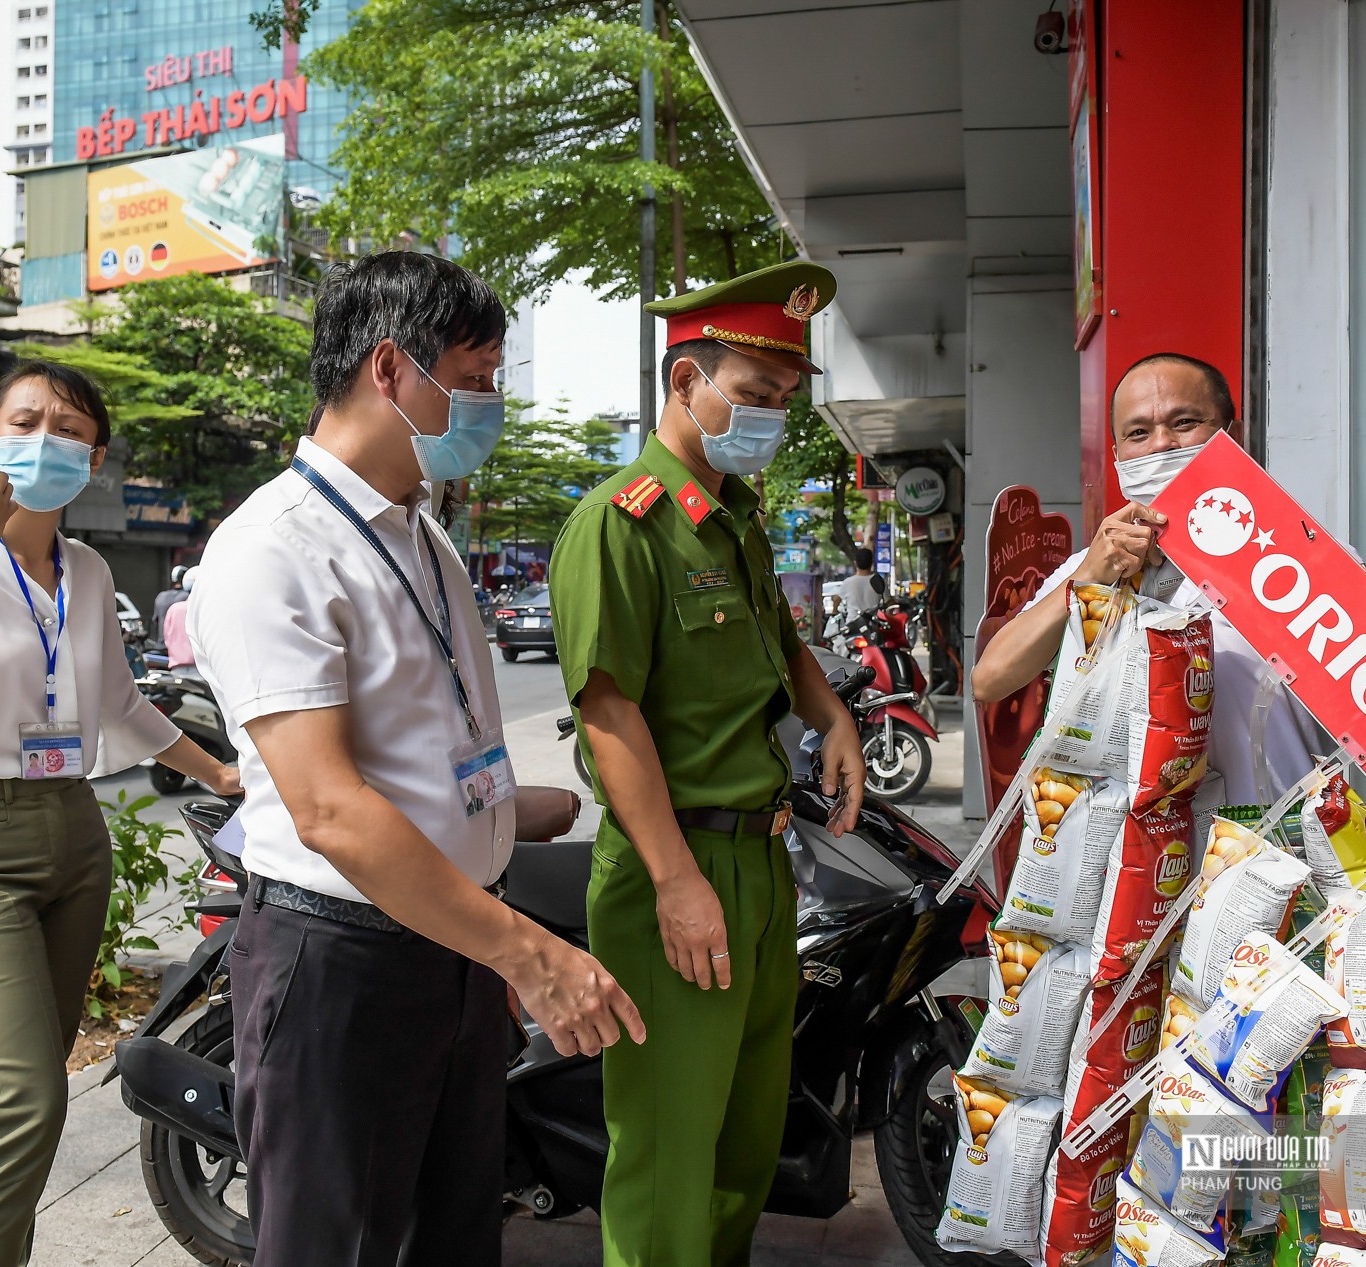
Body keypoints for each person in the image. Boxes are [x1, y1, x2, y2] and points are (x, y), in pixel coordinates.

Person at [188, 250, 642, 1267]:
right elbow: (330, 810)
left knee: (452, 1235)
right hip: (343, 960)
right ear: (390, 370)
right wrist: (529, 951)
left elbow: (415, 736)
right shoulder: (275, 548)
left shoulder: (422, 535)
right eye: (475, 380)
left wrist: (495, 810)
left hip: (449, 941)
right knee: (338, 1246)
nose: (489, 406)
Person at [0, 361, 242, 1267]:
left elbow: (117, 704)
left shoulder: (89, 567)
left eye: (68, 428)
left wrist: (220, 774)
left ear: (95, 456)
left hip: (73, 835)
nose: (45, 439)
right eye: (24, 420)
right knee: (17, 1100)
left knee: (33, 1106)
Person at [549, 259, 868, 1267]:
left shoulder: (732, 519)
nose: (770, 415)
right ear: (686, 384)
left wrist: (835, 719)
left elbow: (779, 639)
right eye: (755, 393)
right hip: (672, 868)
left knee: (743, 1141)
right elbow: (608, 715)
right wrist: (677, 881)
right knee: (667, 1159)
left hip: (763, 865)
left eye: (781, 400)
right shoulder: (621, 522)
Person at [972, 351, 1366, 803]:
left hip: (1277, 864)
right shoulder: (1090, 566)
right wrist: (1088, 576)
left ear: (1231, 435)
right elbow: (991, 679)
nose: (1161, 445)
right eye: (1138, 433)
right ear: (1118, 455)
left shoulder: (1297, 560)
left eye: (1185, 422)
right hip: (1137, 878)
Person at [161, 565, 197, 669]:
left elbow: (166, 634)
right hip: (198, 666)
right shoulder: (200, 609)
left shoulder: (170, 605)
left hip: (174, 662)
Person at [839, 546, 881, 617]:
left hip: (852, 623)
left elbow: (837, 600)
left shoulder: (847, 582)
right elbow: (889, 601)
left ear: (855, 563)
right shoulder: (879, 581)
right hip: (873, 623)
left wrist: (834, 610)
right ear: (872, 562)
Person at [151, 565, 188, 639]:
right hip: (180, 645)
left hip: (161, 643)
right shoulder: (188, 596)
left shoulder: (161, 596)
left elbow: (155, 620)